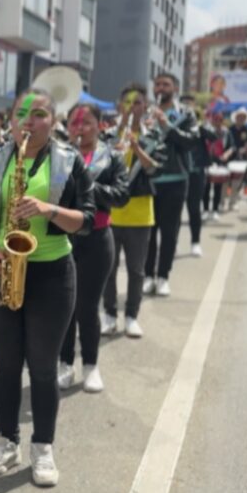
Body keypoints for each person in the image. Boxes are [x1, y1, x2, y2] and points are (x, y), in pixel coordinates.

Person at [0, 89, 95, 487]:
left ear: (53, 121)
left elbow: (87, 219)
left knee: (42, 366)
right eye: (22, 114)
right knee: (5, 365)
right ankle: (7, 440)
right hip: (1, 269)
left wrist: (47, 209)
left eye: (38, 114)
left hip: (52, 272)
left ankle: (43, 446)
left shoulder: (69, 162)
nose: (28, 121)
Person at [59, 103, 129, 393]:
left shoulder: (112, 157)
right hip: (64, 239)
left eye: (86, 122)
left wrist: (87, 180)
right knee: (64, 306)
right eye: (75, 123)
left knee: (88, 306)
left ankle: (90, 365)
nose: (80, 128)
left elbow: (122, 195)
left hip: (98, 239)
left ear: (100, 125)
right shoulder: (61, 155)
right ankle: (65, 363)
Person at [102, 86, 161, 339]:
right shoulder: (109, 135)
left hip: (140, 214)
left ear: (144, 105)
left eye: (137, 102)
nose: (132, 106)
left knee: (137, 270)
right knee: (109, 268)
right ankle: (109, 314)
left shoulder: (153, 134)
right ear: (119, 106)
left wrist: (137, 149)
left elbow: (154, 169)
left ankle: (131, 316)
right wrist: (121, 129)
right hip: (113, 213)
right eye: (127, 102)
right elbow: (101, 161)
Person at [144, 73, 199, 298]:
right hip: (149, 179)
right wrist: (146, 130)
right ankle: (148, 275)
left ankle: (163, 276)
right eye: (157, 83)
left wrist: (167, 126)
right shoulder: (147, 112)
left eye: (166, 84)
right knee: (148, 230)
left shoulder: (186, 113)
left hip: (176, 179)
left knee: (169, 231)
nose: (161, 87)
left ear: (175, 88)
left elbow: (190, 141)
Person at [186, 105, 213, 258]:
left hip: (197, 174)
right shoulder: (179, 129)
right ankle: (173, 243)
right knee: (174, 214)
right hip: (181, 174)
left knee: (194, 209)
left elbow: (213, 137)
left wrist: (199, 125)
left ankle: (195, 242)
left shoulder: (201, 130)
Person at [201, 111, 235, 221]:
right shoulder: (207, 131)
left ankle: (215, 210)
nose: (217, 122)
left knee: (218, 187)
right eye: (215, 119)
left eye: (220, 120)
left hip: (221, 161)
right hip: (207, 161)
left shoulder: (226, 132)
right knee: (206, 187)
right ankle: (205, 210)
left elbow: (232, 147)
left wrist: (226, 154)